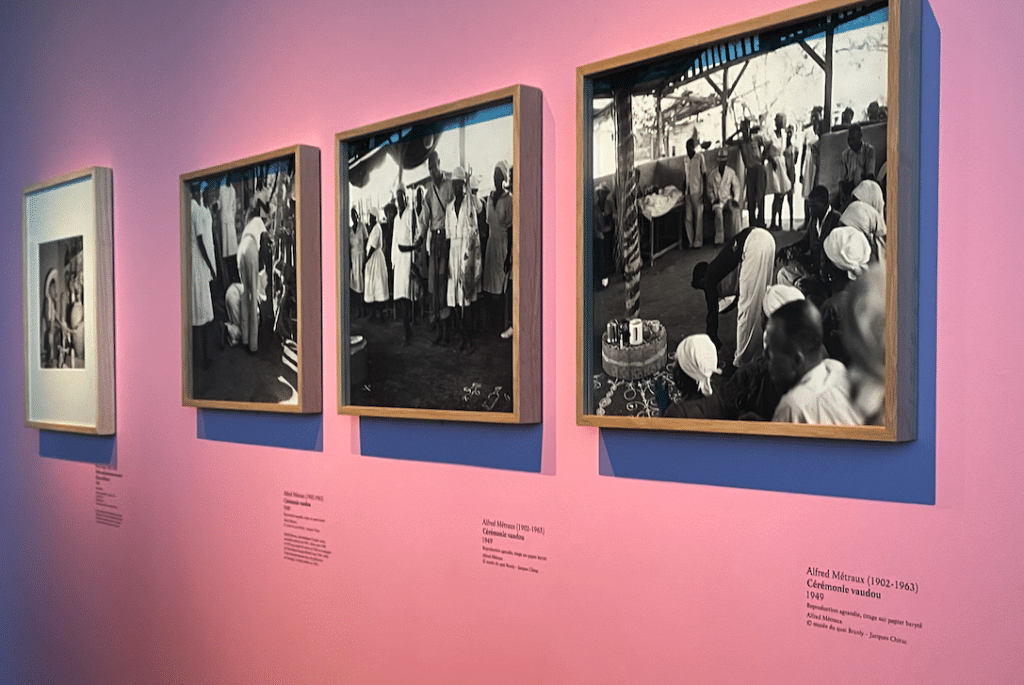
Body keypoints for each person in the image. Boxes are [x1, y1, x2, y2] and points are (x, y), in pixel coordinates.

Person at [766, 299, 862, 425]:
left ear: (797, 360)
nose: (764, 356)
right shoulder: (836, 369)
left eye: (770, 353)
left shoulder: (792, 407)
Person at [691, 226, 776, 367]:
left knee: (746, 310)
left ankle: (740, 363)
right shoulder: (720, 269)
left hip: (753, 244)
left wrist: (712, 342)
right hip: (766, 238)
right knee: (761, 301)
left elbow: (712, 314)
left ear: (702, 280)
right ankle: (761, 352)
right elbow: (737, 295)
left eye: (701, 287)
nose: (704, 290)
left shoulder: (710, 275)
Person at [416, 150, 455, 343]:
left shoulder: (449, 186)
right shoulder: (429, 192)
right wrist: (419, 239)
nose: (432, 170)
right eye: (429, 168)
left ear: (439, 163)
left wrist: (451, 240)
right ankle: (439, 331)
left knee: (443, 285)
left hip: (446, 240)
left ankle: (447, 332)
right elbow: (424, 219)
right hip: (434, 240)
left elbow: (454, 213)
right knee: (433, 287)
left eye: (434, 166)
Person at [446, 166, 482, 353]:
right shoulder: (449, 208)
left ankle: (470, 341)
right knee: (453, 299)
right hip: (453, 253)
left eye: (458, 184)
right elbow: (447, 237)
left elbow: (479, 211)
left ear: (463, 184)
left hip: (466, 254)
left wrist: (470, 190)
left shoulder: (470, 204)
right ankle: (462, 337)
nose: (455, 187)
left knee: (466, 299)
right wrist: (448, 264)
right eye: (453, 184)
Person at [235, 207, 270, 354]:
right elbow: (265, 240)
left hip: (241, 249)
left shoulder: (249, 224)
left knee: (245, 295)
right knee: (253, 297)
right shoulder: (258, 221)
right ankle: (253, 345)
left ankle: (245, 339)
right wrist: (266, 265)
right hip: (250, 249)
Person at [484, 161, 513, 334]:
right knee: (489, 285)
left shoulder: (509, 200)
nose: (495, 178)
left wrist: (509, 254)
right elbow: (487, 224)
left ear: (503, 178)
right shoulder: (489, 198)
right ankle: (492, 322)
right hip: (490, 245)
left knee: (500, 287)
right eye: (494, 175)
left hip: (502, 245)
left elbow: (510, 230)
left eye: (498, 175)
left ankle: (502, 322)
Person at [191, 182, 218, 367]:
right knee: (201, 314)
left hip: (195, 262)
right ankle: (203, 358)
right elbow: (200, 240)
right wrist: (210, 266)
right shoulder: (195, 210)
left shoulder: (196, 209)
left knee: (198, 312)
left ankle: (201, 356)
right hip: (199, 263)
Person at [391, 184, 418, 344]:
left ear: (405, 198)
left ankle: (408, 333)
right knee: (400, 298)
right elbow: (395, 241)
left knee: (407, 297)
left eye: (401, 197)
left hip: (407, 259)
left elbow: (415, 235)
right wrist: (393, 261)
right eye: (397, 198)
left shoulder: (410, 213)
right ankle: (407, 329)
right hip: (398, 261)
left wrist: (413, 256)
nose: (399, 200)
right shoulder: (395, 219)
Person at [764, 113, 793, 230]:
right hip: (774, 166)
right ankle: (773, 222)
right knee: (777, 193)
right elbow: (765, 153)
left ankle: (778, 222)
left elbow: (787, 150)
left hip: (782, 165)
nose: (783, 123)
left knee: (782, 193)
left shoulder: (784, 136)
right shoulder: (771, 135)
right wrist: (771, 159)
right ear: (777, 122)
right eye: (782, 121)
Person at [707, 148, 741, 244]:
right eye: (720, 161)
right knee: (718, 213)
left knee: (735, 211)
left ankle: (736, 237)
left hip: (728, 199)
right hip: (718, 200)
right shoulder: (712, 175)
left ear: (726, 161)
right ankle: (719, 240)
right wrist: (713, 199)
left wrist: (735, 199)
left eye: (724, 161)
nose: (722, 163)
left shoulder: (731, 172)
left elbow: (736, 186)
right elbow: (709, 190)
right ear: (718, 161)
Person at [839, 124, 876, 207]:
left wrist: (857, 195)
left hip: (864, 187)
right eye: (849, 139)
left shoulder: (869, 150)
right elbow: (841, 179)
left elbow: (870, 176)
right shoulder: (845, 154)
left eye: (854, 139)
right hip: (849, 188)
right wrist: (842, 194)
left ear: (860, 137)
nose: (851, 143)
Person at [363, 207, 389, 320]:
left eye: (371, 217)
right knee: (372, 286)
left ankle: (380, 314)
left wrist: (366, 260)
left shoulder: (377, 228)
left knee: (378, 286)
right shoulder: (373, 228)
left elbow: (373, 247)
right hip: (372, 260)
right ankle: (373, 313)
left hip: (375, 259)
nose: (370, 219)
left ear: (375, 217)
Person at [683, 138, 707, 248]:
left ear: (693, 147)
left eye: (690, 147)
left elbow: (704, 175)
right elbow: (686, 176)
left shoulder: (699, 157)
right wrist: (683, 189)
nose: (688, 149)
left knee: (698, 218)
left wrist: (705, 193)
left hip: (698, 191)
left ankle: (698, 242)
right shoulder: (686, 159)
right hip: (688, 192)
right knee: (688, 218)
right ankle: (690, 241)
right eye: (686, 147)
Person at [349, 207, 367, 319]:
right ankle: (359, 310)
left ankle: (364, 309)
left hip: (361, 256)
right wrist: (350, 263)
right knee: (355, 283)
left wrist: (365, 259)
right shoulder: (350, 230)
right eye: (352, 215)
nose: (354, 216)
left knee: (362, 283)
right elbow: (348, 245)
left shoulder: (362, 226)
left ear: (358, 215)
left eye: (355, 214)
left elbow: (366, 241)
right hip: (353, 257)